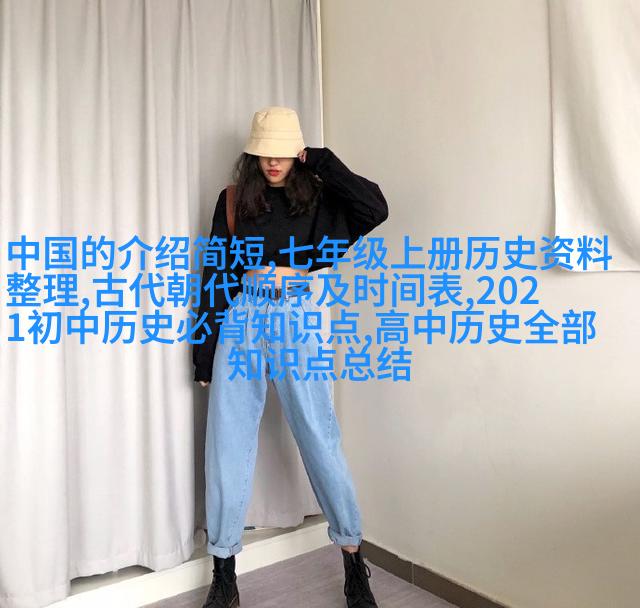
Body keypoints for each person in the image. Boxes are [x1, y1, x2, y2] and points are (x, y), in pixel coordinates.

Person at [193, 106, 389, 608]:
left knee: (320, 436)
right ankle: (224, 575)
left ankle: (353, 562)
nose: (273, 161)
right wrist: (205, 352)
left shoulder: (319, 197)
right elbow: (216, 274)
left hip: (298, 317)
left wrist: (321, 160)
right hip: (242, 318)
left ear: (297, 153)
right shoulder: (234, 201)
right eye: (265, 152)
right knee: (226, 443)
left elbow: (374, 207)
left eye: (283, 152)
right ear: (253, 154)